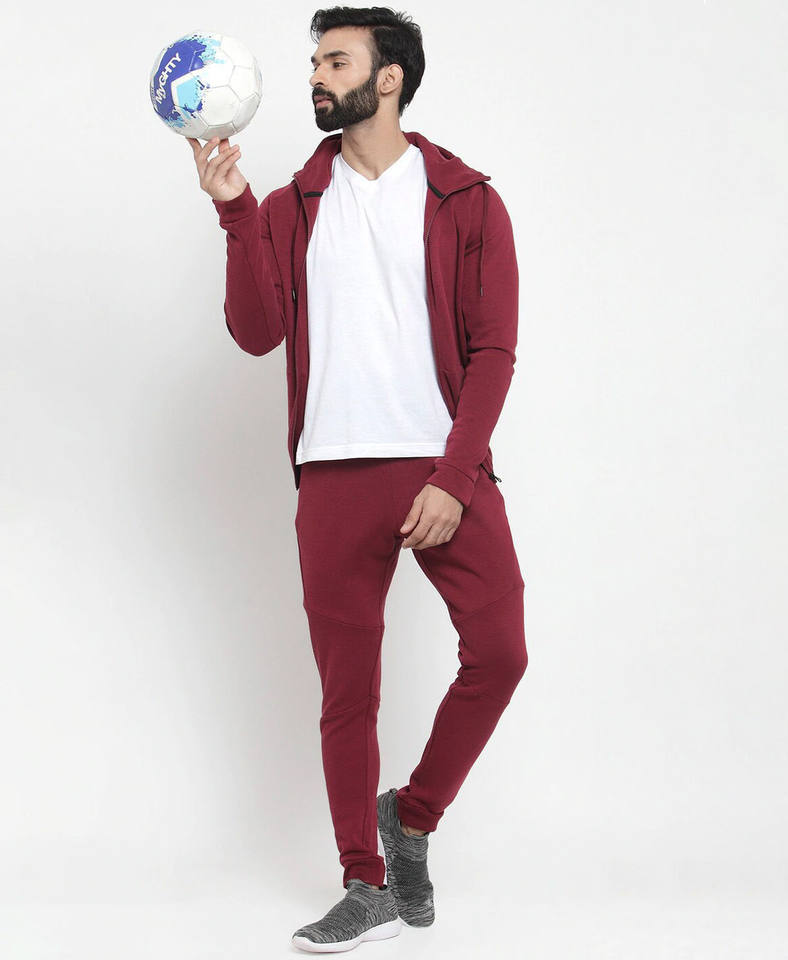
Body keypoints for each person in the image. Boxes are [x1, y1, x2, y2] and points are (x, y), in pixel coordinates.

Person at [188, 7, 527, 953]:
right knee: (348, 692)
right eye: (313, 62)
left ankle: (411, 816)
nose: (315, 76)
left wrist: (455, 476)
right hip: (333, 473)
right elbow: (256, 333)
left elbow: (494, 351)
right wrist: (233, 210)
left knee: (500, 652)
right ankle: (363, 882)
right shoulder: (292, 204)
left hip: (442, 467)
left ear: (388, 78)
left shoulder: (468, 199)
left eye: (335, 60)